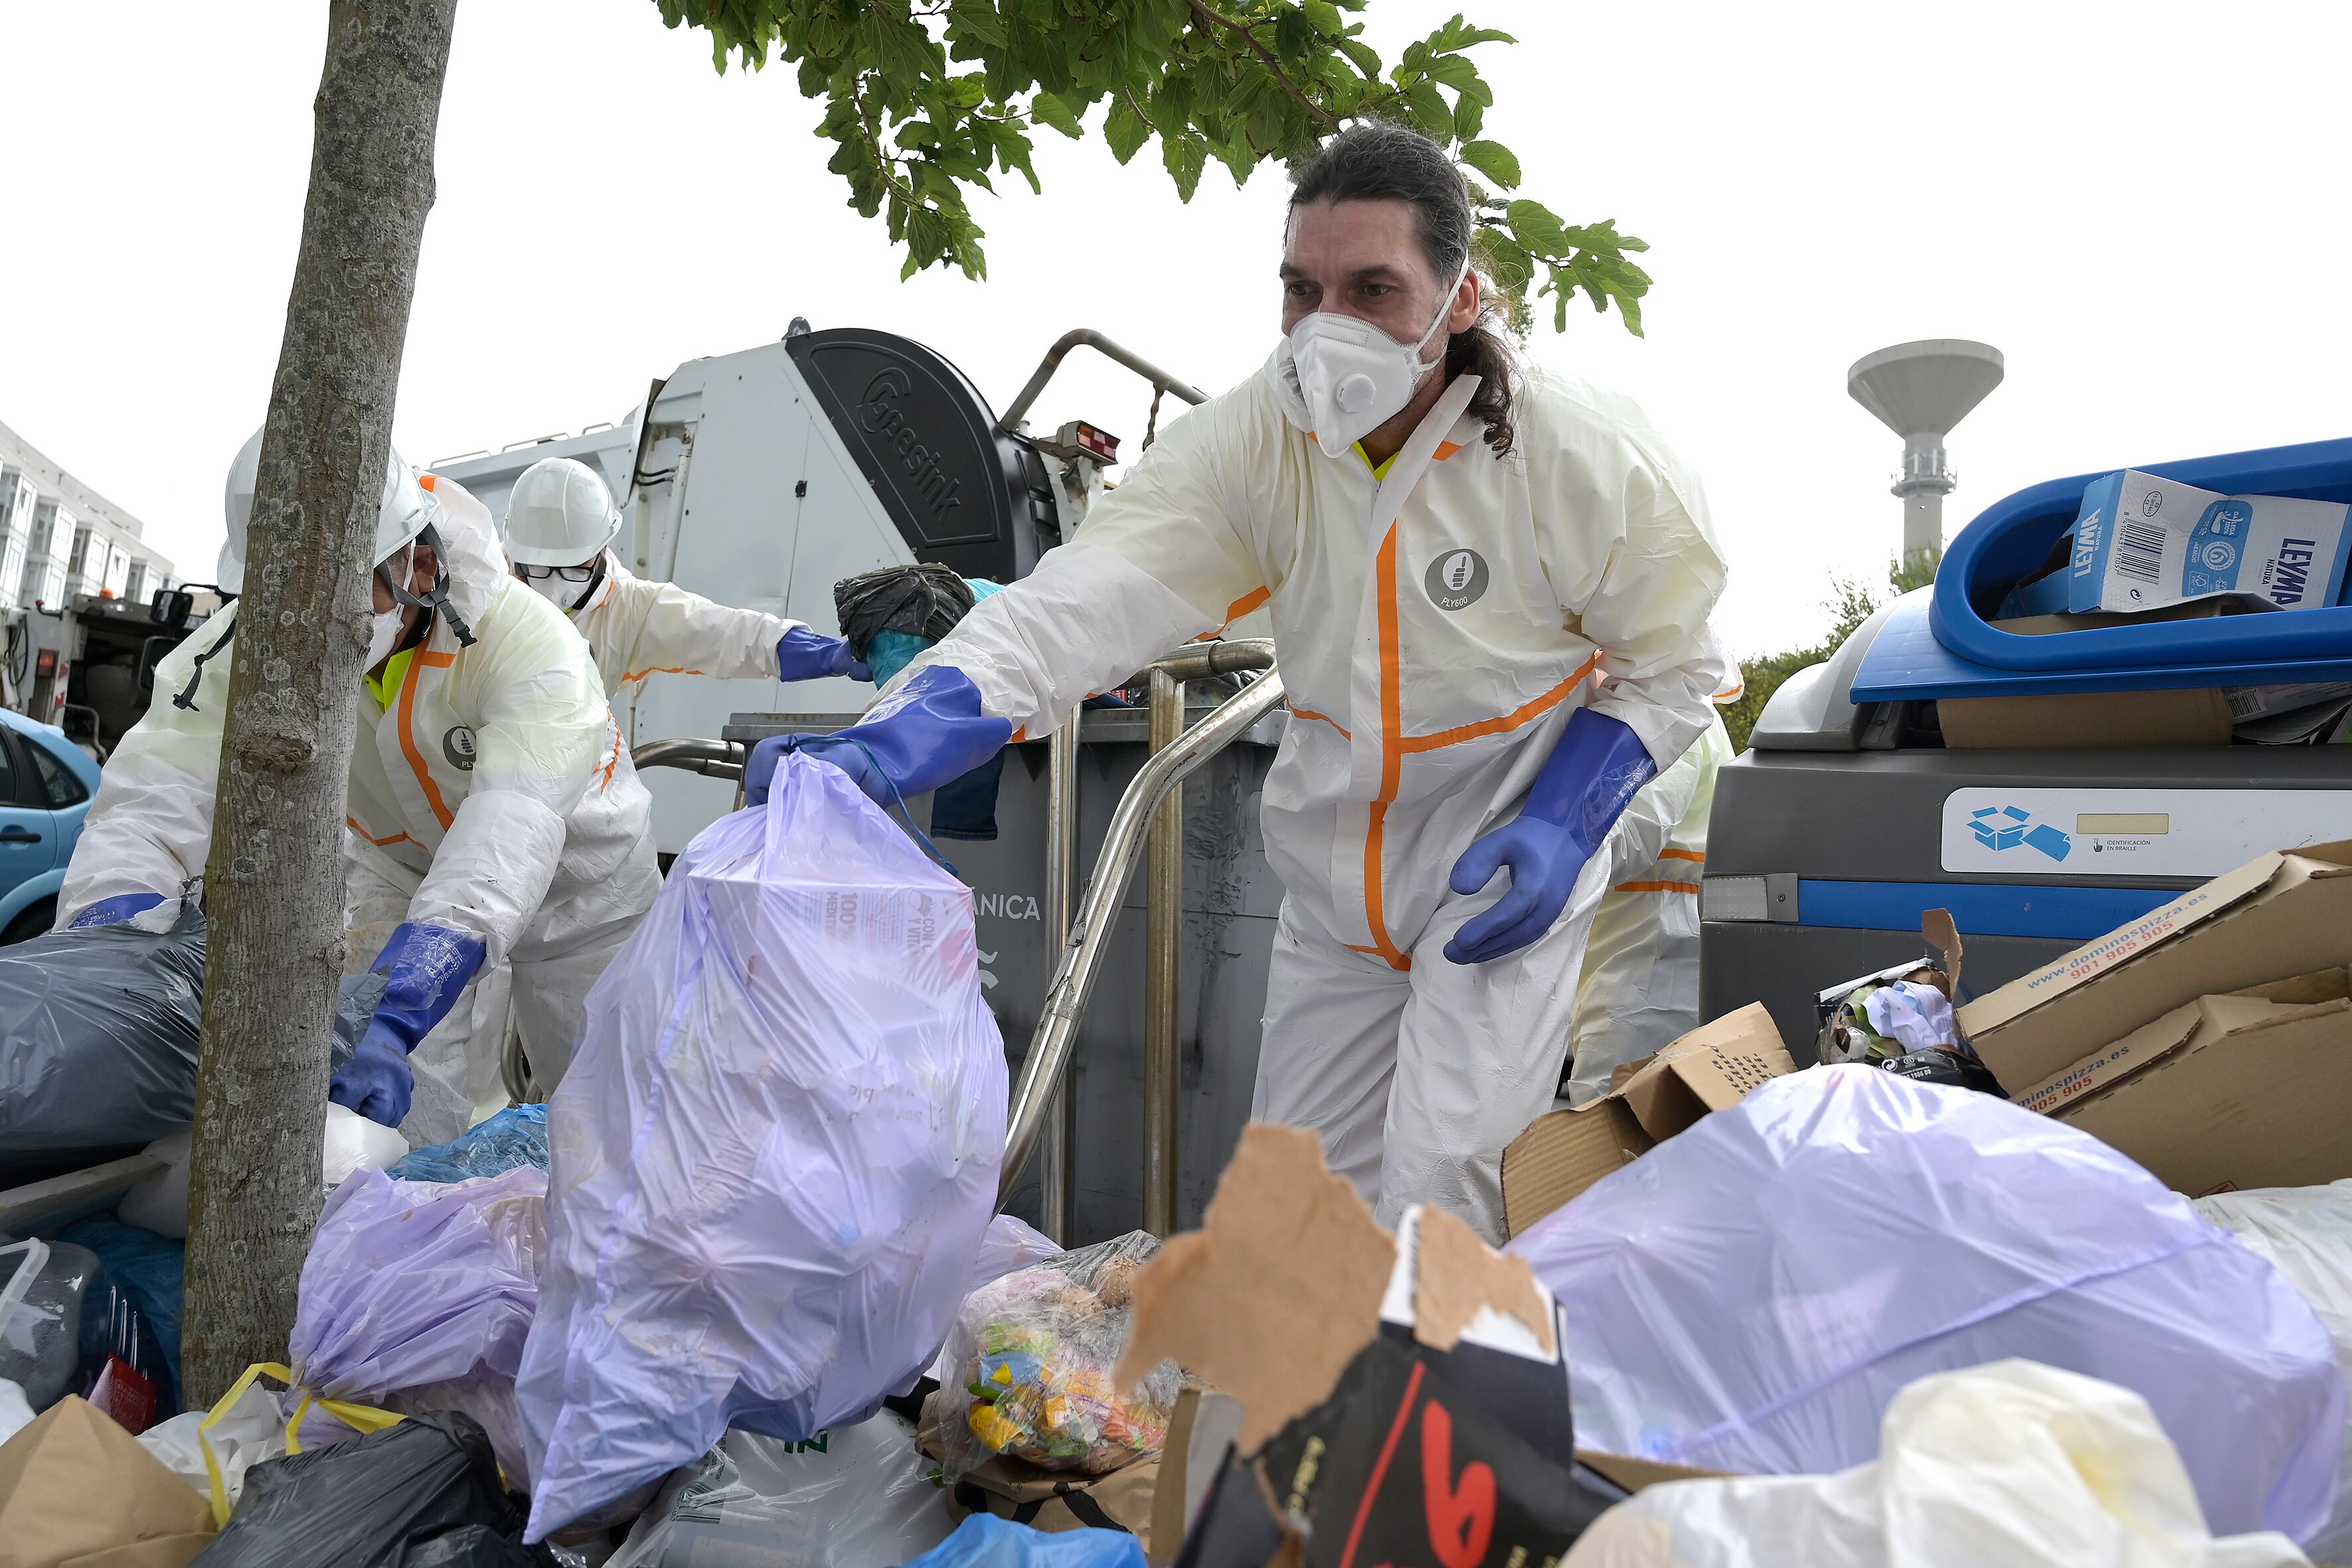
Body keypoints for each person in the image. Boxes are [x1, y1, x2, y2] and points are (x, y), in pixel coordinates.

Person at [742, 122, 1733, 1239]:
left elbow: (1674, 664)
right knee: (1290, 1212)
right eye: (1301, 290)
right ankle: (1291, 1411)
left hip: (1489, 859)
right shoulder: (1253, 446)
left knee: (1443, 1193)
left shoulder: (1575, 454)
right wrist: (887, 738)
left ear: (1460, 299)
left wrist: (1565, 818)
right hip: (1330, 884)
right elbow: (1081, 604)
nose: (1327, 329)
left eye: (1372, 288)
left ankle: (1433, 1404)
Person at [58, 429, 661, 1139]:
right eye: (286, 594)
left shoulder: (529, 645)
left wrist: (402, 1005)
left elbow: (509, 831)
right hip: (399, 871)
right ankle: (409, 1227)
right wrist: (109, 945)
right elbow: (152, 804)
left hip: (584, 901)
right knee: (387, 1116)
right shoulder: (253, 646)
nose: (305, 624)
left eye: (336, 594)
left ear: (420, 563)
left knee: (611, 1119)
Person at [499, 455, 870, 695]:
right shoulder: (483, 587)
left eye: (574, 567)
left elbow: (723, 633)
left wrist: (824, 653)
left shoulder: (632, 612)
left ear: (602, 550)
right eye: (538, 568)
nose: (554, 586)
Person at [1563, 710, 1736, 1105]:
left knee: (1615, 1105)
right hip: (1649, 926)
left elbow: (1637, 830)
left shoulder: (1677, 714)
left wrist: (1559, 844)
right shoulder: (1669, 711)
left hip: (1655, 936)